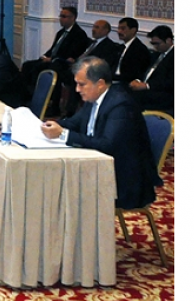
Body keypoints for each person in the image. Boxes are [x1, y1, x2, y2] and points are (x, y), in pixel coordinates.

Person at [41, 56, 158, 209]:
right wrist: (45, 126)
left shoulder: (121, 105)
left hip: (123, 181)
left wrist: (63, 134)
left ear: (100, 84)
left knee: (59, 186)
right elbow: (74, 123)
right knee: (54, 180)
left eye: (82, 84)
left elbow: (106, 145)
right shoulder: (94, 97)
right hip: (97, 167)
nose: (77, 90)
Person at [21, 6, 90, 92]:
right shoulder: (61, 32)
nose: (61, 19)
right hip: (52, 60)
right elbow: (53, 49)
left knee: (37, 68)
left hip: (61, 63)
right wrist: (45, 56)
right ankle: (25, 93)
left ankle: (38, 94)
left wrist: (52, 59)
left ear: (73, 18)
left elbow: (71, 54)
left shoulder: (79, 34)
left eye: (64, 16)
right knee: (27, 65)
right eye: (60, 16)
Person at [128, 25, 174, 113]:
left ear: (168, 40)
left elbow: (170, 82)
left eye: (157, 43)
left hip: (162, 93)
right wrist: (137, 80)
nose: (155, 47)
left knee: (130, 99)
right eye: (153, 44)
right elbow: (144, 71)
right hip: (147, 89)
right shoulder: (156, 54)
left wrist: (147, 86)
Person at [112, 17, 151, 84]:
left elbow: (134, 74)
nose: (119, 31)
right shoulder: (120, 47)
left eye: (123, 29)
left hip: (124, 83)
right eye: (118, 28)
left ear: (133, 30)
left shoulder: (139, 50)